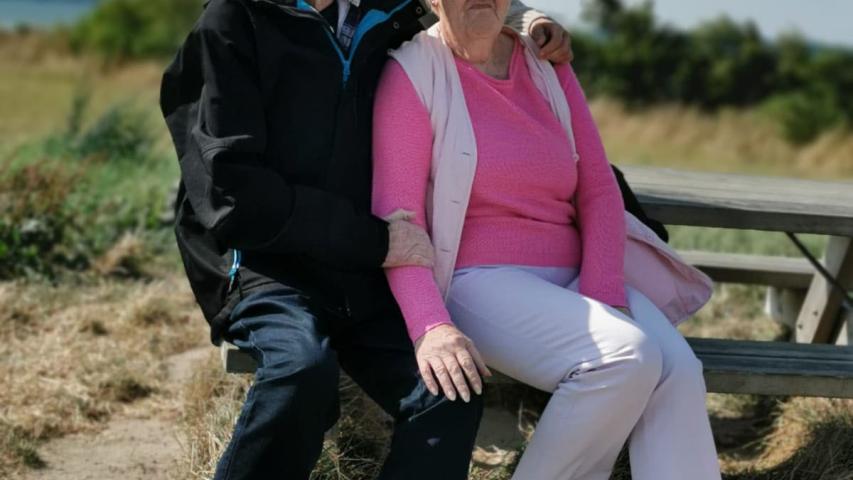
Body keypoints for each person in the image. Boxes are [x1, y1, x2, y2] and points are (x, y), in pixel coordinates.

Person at [159, 0, 571, 478]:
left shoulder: (392, 10)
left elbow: (467, 5)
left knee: (450, 391)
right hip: (266, 264)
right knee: (301, 373)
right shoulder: (233, 19)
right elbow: (233, 195)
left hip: (363, 268)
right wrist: (374, 241)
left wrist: (527, 20)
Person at [370, 0, 722, 478]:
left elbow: (598, 189)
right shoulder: (411, 73)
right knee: (624, 357)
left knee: (676, 369)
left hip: (574, 276)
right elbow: (399, 222)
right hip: (478, 278)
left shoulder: (545, 64)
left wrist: (603, 293)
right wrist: (429, 325)